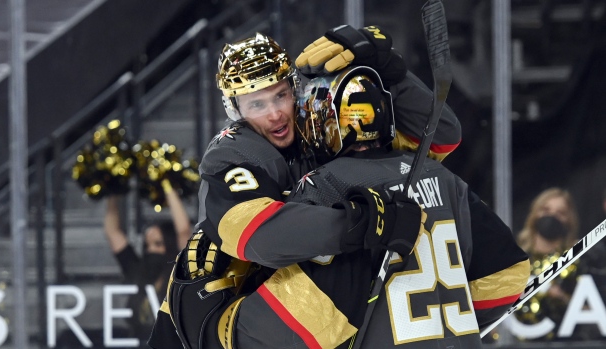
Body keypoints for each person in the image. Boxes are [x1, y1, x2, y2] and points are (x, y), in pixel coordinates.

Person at [148, 25, 462, 348]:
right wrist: (363, 223)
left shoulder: (315, 124)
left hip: (276, 313)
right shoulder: (232, 153)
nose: (275, 115)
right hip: (202, 317)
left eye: (280, 95)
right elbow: (263, 236)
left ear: (293, 88)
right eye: (257, 105)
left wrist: (392, 77)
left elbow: (441, 139)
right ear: (235, 110)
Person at [200, 66, 530, 348]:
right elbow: (508, 276)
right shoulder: (441, 176)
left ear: (324, 122)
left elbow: (292, 326)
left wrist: (224, 328)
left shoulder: (325, 185)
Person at [104, 179, 192, 345]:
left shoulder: (179, 268)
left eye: (158, 244)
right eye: (147, 245)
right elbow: (113, 232)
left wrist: (166, 182)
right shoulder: (136, 269)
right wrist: (113, 189)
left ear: (170, 245)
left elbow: (183, 230)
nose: (151, 250)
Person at [513, 187, 583, 341]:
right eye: (545, 209)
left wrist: (561, 297)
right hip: (515, 341)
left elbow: (590, 308)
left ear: (569, 220)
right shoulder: (514, 255)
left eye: (560, 213)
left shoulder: (577, 259)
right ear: (535, 213)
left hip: (564, 341)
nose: (551, 216)